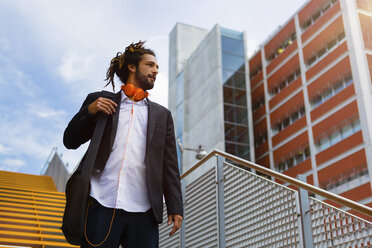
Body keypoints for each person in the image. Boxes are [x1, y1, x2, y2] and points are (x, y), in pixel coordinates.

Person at [63, 41, 183, 248]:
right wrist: (89, 111)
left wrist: (175, 206)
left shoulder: (163, 115)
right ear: (132, 67)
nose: (156, 71)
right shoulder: (99, 100)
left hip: (145, 211)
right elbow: (70, 141)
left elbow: (170, 164)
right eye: (150, 65)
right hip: (101, 202)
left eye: (157, 68)